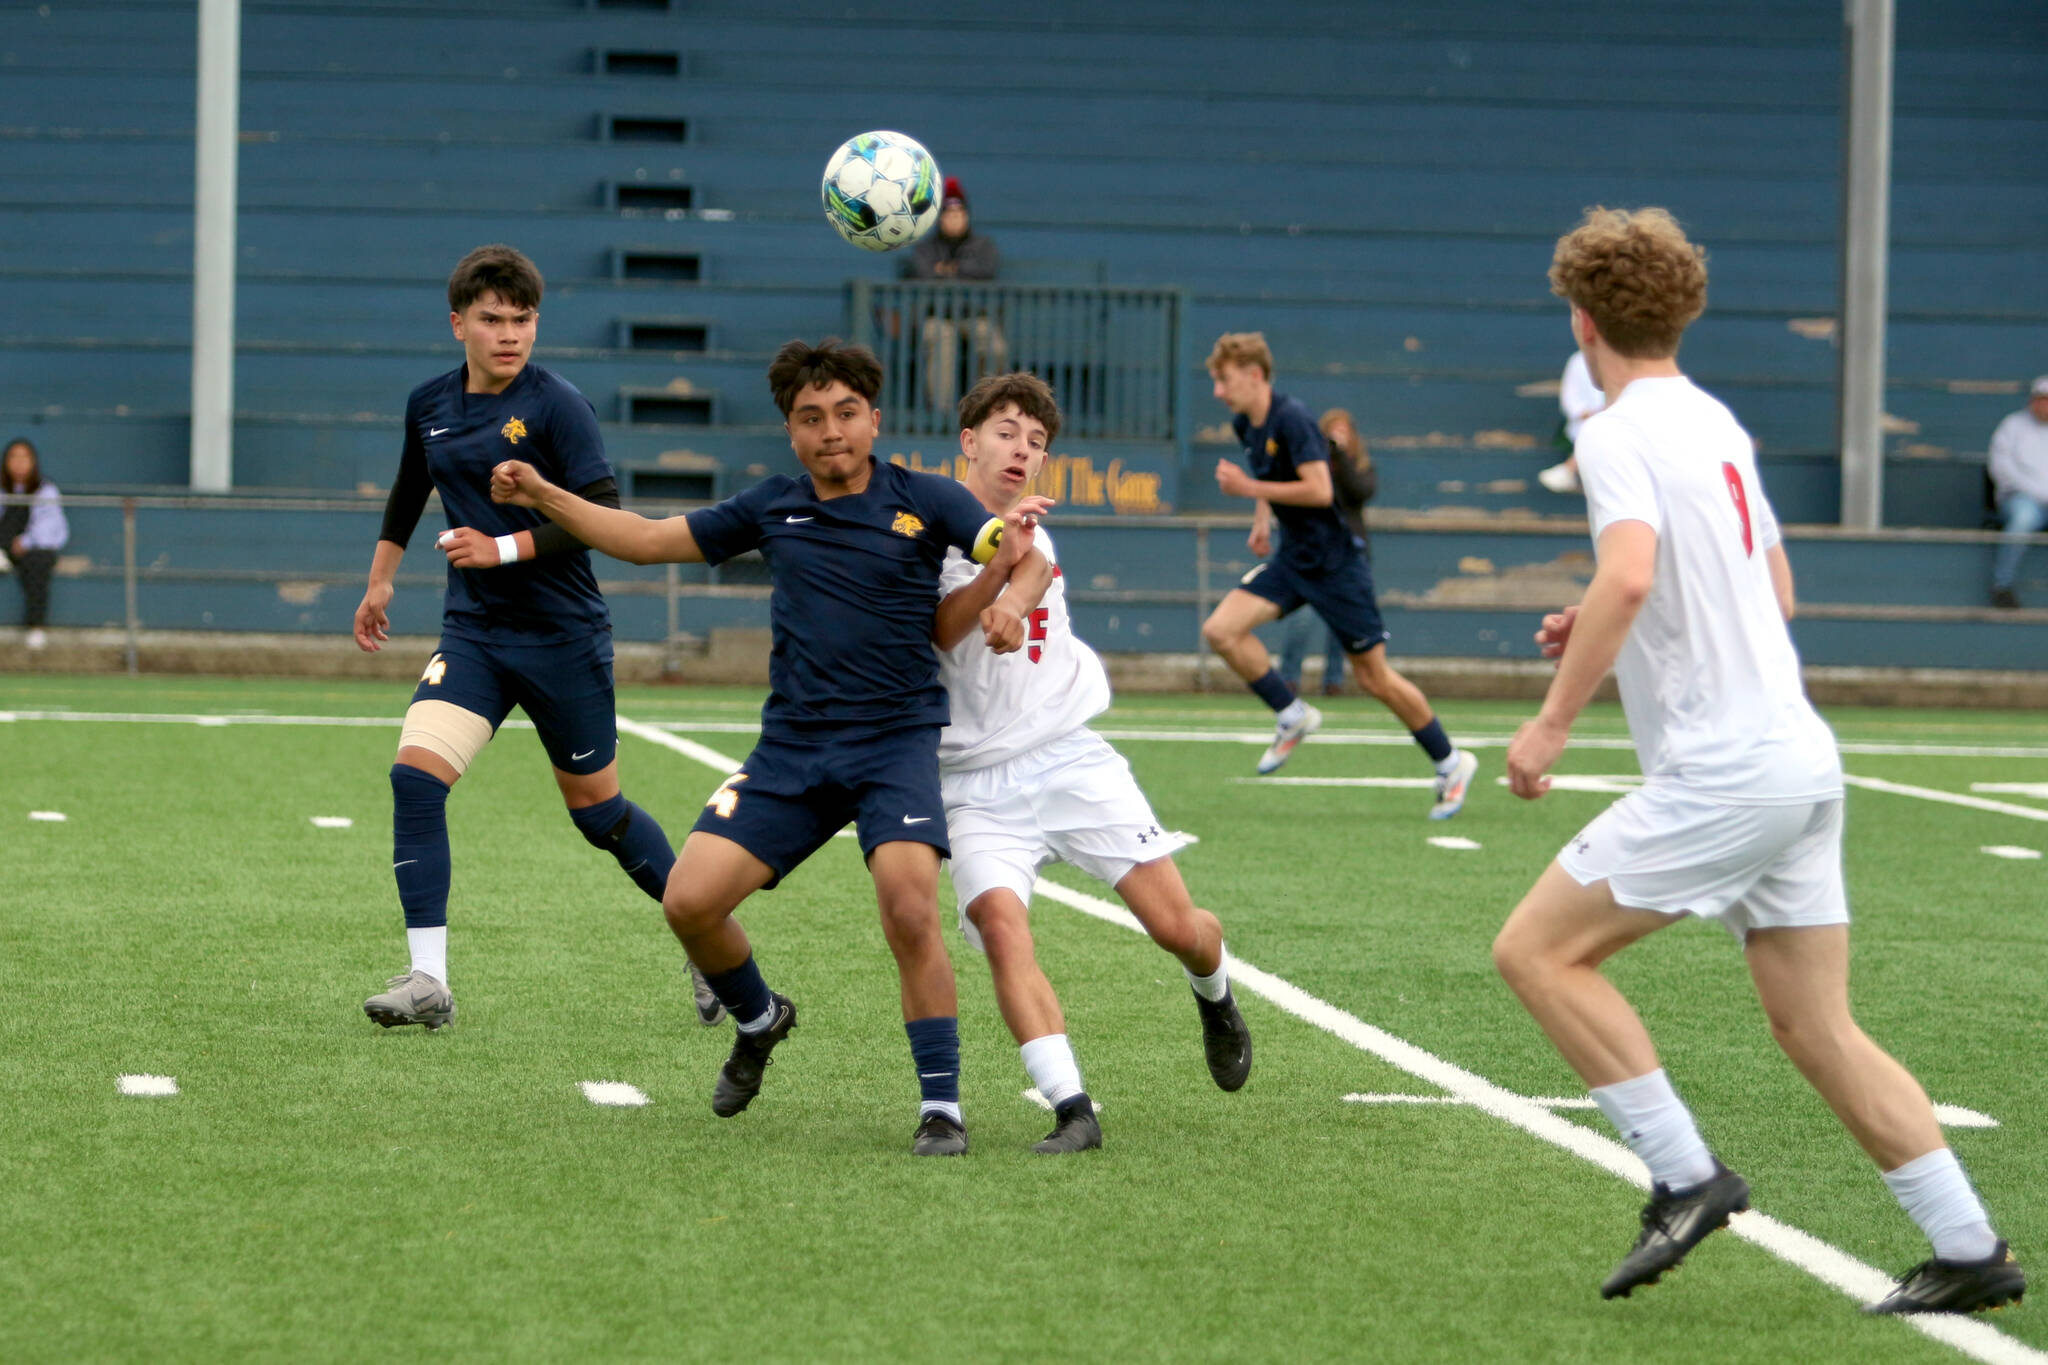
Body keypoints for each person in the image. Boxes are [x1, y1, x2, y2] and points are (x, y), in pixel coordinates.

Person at [1494, 206, 2025, 1314]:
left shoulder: (1611, 433)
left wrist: (1551, 722)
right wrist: (1606, 617)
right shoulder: (1716, 421)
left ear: (1582, 322)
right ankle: (1969, 1246)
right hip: (1799, 763)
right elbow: (1768, 590)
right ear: (1680, 314)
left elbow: (1630, 575)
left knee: (1536, 953)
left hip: (1725, 771)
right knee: (1814, 1025)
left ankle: (1683, 1175)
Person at [491, 339, 1051, 1157]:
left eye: (847, 413)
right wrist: (543, 492)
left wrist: (1010, 599)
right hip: (792, 750)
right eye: (811, 418)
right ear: (790, 431)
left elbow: (1018, 552)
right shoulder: (771, 506)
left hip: (894, 744)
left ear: (875, 420)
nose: (832, 431)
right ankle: (759, 1018)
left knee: (909, 908)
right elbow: (643, 539)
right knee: (688, 901)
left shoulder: (927, 498)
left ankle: (942, 1106)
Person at [349, 244, 719, 1034]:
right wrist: (380, 580)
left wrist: (503, 547)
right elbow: (410, 487)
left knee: (598, 813)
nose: (510, 333)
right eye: (492, 319)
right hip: (476, 634)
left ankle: (708, 936)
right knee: (415, 778)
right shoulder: (429, 403)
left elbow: (603, 515)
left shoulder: (559, 406)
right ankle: (428, 979)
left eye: (523, 319)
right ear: (458, 324)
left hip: (562, 637)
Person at [931, 371, 1254, 1154]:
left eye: (1037, 440)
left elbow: (1030, 569)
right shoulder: (927, 532)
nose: (1022, 449)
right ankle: (1072, 1106)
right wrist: (996, 591)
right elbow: (943, 627)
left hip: (1068, 758)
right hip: (972, 784)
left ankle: (1214, 990)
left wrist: (1011, 601)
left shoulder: (1031, 532)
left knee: (1176, 926)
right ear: (968, 440)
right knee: (1001, 927)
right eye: (1006, 431)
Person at [1199, 332, 1478, 816]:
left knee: (1374, 677)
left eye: (1224, 380)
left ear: (1255, 375)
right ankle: (1292, 714)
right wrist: (1261, 517)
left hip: (1337, 566)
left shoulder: (1293, 418)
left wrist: (1249, 490)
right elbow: (1268, 475)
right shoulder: (1246, 424)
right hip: (1293, 559)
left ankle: (1451, 762)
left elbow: (1320, 490)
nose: (1218, 391)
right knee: (1221, 630)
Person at [1277, 408, 1376, 696]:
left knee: (1342, 624)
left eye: (1343, 431)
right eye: (1332, 432)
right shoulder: (1312, 465)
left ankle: (1334, 681)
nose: (1337, 437)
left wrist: (1341, 456)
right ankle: (1289, 678)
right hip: (1314, 553)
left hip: (1348, 553)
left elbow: (1359, 493)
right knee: (1301, 619)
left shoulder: (1359, 466)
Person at [898, 176, 1006, 415]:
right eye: (948, 214)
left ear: (966, 216)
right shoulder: (926, 247)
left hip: (973, 314)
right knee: (939, 337)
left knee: (994, 345)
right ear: (940, 218)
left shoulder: (983, 245)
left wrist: (946, 270)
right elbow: (922, 272)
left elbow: (986, 270)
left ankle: (982, 408)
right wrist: (962, 272)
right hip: (936, 315)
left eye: (959, 213)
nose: (954, 218)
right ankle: (942, 413)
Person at [1986, 375, 2048, 608]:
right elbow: (2001, 468)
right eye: (2040, 399)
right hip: (2020, 499)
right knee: (2023, 519)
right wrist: (2036, 491)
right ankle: (2002, 586)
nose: (2044, 405)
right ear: (2032, 401)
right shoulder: (2012, 425)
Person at [1, 438, 66, 651]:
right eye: (13, 457)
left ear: (33, 462)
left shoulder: (45, 490)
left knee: (39, 563)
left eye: (24, 457)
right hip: (4, 546)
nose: (19, 463)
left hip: (33, 549)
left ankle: (36, 626)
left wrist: (26, 541)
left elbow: (51, 527)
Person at [1538, 350, 1607, 495]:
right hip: (1586, 427)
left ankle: (1567, 469)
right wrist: (1589, 414)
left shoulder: (1625, 357)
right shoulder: (1578, 361)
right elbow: (1569, 400)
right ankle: (1567, 470)